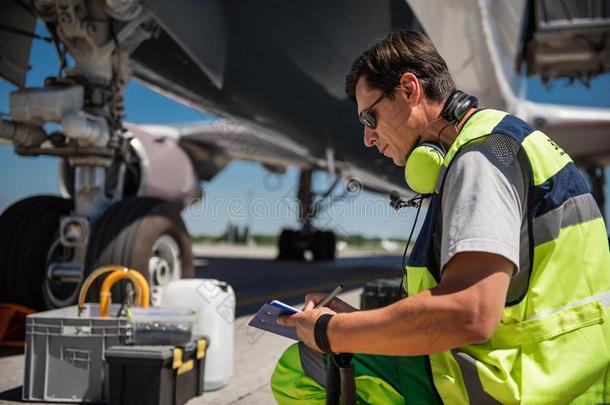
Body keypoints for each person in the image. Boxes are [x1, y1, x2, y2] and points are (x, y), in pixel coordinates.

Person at [270, 30, 610, 404]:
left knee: (300, 367)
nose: (368, 138)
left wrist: (332, 331)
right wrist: (353, 320)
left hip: (511, 384)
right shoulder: (502, 140)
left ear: (409, 90)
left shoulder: (479, 160)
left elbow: (469, 312)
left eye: (371, 117)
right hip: (564, 374)